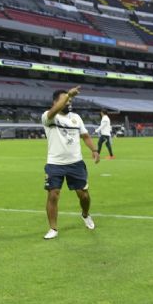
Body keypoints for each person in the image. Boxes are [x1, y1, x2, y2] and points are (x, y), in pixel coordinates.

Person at [41, 87, 100, 240]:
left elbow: (85, 136)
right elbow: (54, 112)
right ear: (56, 102)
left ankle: (85, 214)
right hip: (55, 163)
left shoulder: (76, 118)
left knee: (84, 196)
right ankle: (53, 228)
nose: (69, 103)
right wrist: (67, 95)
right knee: (53, 195)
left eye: (71, 101)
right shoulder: (48, 117)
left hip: (76, 163)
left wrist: (94, 149)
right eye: (67, 101)